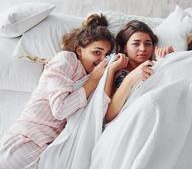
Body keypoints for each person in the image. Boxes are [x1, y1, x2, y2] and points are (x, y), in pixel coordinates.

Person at [0, 13, 115, 169]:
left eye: (106, 55)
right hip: (27, 139)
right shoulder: (66, 60)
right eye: (97, 52)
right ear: (80, 50)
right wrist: (94, 79)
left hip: (48, 150)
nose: (102, 60)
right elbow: (60, 110)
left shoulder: (93, 78)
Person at [104, 20, 173, 122]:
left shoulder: (156, 64)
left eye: (148, 44)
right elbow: (109, 115)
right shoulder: (118, 69)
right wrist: (131, 78)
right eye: (136, 44)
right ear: (125, 48)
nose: (143, 49)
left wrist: (169, 61)